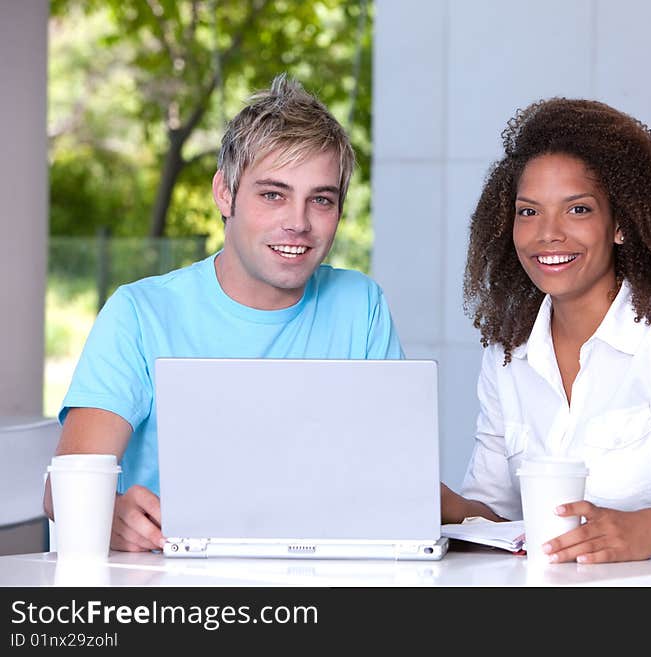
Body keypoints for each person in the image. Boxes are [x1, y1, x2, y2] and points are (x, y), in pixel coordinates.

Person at [43, 74, 404, 552]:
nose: (297, 222)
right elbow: (63, 491)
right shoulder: (140, 313)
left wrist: (490, 520)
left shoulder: (362, 305)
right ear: (224, 194)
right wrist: (110, 514)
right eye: (273, 194)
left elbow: (399, 481)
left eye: (321, 199)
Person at [441, 97, 651, 564]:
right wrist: (441, 504)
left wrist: (649, 528)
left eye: (578, 210)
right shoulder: (507, 354)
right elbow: (497, 520)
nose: (547, 233)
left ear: (620, 225)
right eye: (528, 211)